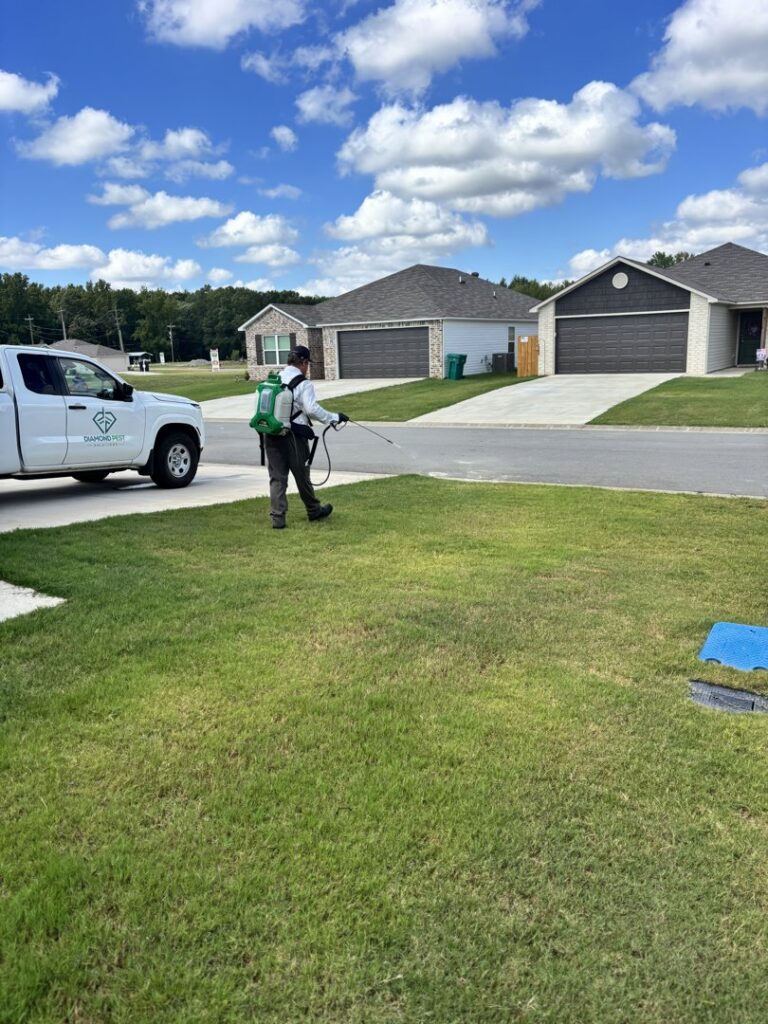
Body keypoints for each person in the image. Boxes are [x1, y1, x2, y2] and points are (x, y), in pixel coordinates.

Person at [264, 345, 349, 530]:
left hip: (270, 433)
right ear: (302, 362)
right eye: (307, 364)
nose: (307, 368)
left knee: (277, 478)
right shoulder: (303, 383)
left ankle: (278, 519)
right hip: (293, 436)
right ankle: (313, 510)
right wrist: (334, 417)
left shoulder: (274, 378)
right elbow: (311, 409)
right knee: (302, 474)